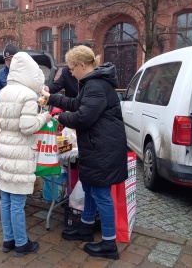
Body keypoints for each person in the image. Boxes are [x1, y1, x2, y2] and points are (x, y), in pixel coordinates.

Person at [40, 45, 128, 259]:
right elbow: (74, 103)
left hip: (103, 150)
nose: (70, 72)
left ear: (81, 65)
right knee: (89, 188)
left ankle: (109, 244)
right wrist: (50, 97)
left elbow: (82, 117)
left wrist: (59, 118)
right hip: (96, 147)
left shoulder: (96, 86)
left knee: (101, 194)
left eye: (71, 68)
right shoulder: (91, 84)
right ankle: (85, 228)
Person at [0, 52, 52, 257]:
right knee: (17, 202)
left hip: (5, 149)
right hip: (20, 151)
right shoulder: (27, 95)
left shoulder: (4, 92)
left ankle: (8, 240)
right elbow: (27, 127)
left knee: (6, 199)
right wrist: (44, 116)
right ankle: (21, 243)